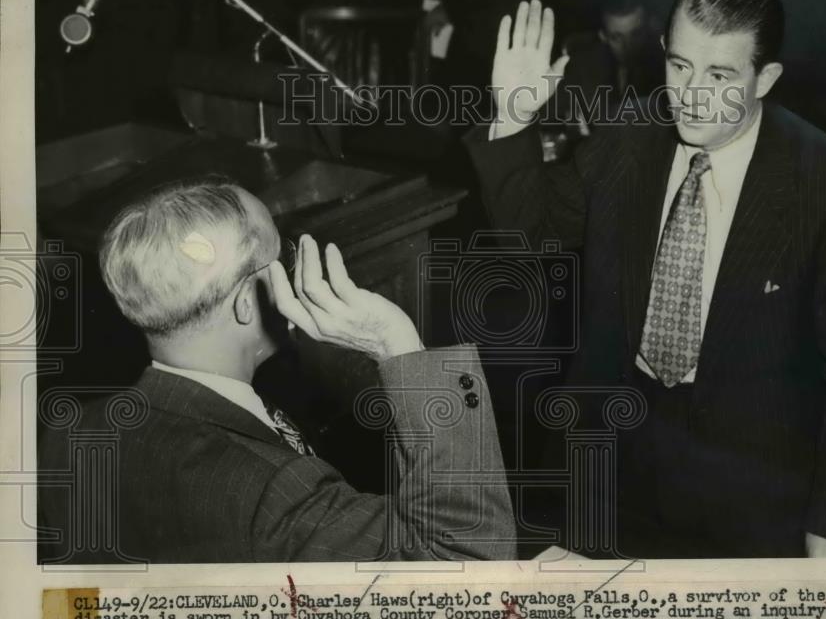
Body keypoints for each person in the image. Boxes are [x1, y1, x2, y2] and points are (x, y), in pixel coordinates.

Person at [464, 0, 826, 559]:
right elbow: (534, 237)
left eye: (720, 75)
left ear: (765, 78)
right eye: (679, 67)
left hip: (756, 497)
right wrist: (514, 115)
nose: (690, 96)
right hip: (610, 478)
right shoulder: (629, 137)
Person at [37, 180, 515, 563]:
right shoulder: (273, 493)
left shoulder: (67, 433)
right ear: (248, 303)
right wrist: (398, 343)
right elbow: (470, 554)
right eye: (279, 255)